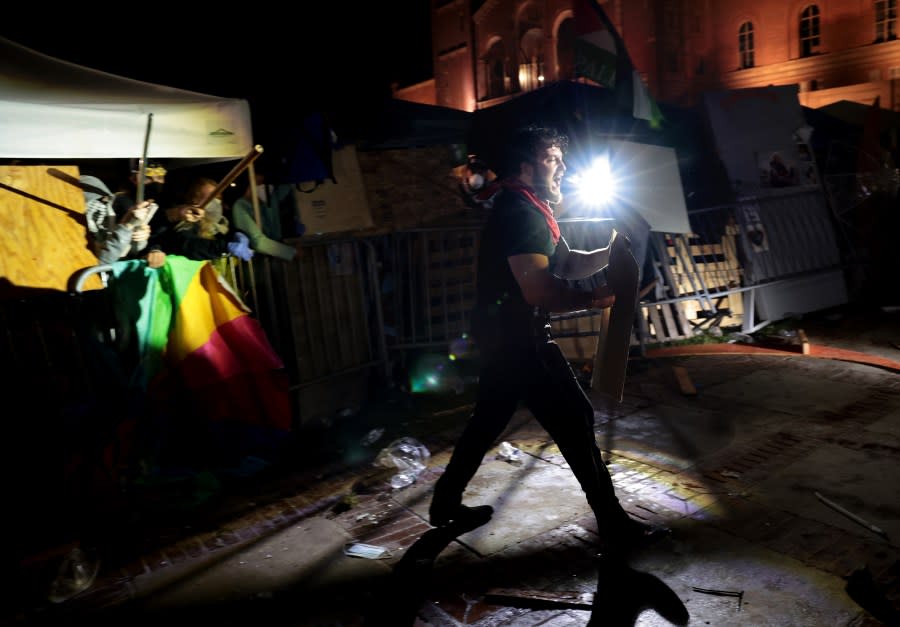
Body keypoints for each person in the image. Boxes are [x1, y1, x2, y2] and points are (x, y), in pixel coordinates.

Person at [428, 125, 667, 554]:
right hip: (519, 339)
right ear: (526, 166)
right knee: (574, 419)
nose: (562, 167)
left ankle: (445, 503)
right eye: (553, 159)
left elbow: (565, 263)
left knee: (488, 419)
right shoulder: (520, 213)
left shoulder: (527, 207)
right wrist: (597, 298)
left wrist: (607, 255)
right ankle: (613, 523)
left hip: (504, 336)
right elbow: (538, 289)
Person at [149, 176, 253, 263]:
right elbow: (189, 245)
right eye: (211, 197)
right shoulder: (189, 221)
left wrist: (238, 234)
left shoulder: (221, 223)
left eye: (219, 197)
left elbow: (224, 233)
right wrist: (224, 247)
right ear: (195, 200)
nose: (216, 201)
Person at [81, 174, 166, 269]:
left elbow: (128, 250)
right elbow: (102, 261)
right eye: (147, 177)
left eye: (159, 177)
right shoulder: (95, 213)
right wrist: (127, 226)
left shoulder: (93, 182)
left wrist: (142, 242)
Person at [230, 171, 302, 261]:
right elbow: (258, 242)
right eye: (258, 183)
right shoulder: (240, 206)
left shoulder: (269, 199)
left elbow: (289, 185)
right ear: (248, 187)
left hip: (277, 250)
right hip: (257, 258)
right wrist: (291, 252)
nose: (262, 186)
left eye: (264, 183)